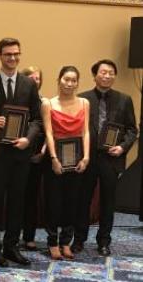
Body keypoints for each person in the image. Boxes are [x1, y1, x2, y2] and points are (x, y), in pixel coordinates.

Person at [0, 38, 41, 267]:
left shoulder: (29, 84)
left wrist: (28, 139)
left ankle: (12, 247)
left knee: (17, 202)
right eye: (7, 54)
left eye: (16, 54)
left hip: (21, 154)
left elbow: (37, 118)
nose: (13, 58)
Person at [73, 60, 138, 256]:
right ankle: (79, 239)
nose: (107, 76)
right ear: (95, 76)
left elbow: (132, 130)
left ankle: (104, 241)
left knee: (108, 202)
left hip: (111, 159)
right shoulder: (82, 99)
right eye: (103, 72)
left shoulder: (124, 99)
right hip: (87, 158)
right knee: (82, 200)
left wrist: (122, 147)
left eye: (111, 73)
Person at [41, 66, 90, 260]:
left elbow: (85, 131)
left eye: (73, 80)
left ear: (77, 82)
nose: (69, 84)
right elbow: (49, 133)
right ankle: (52, 242)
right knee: (54, 202)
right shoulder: (48, 103)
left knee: (73, 202)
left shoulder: (85, 103)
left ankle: (65, 242)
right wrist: (53, 158)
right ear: (59, 80)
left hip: (78, 158)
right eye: (66, 79)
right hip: (55, 159)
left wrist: (86, 157)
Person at [20, 66, 45, 251]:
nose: (34, 81)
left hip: (37, 157)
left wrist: (42, 152)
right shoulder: (18, 99)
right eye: (30, 77)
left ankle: (29, 236)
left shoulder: (45, 102)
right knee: (15, 198)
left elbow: (49, 131)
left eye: (37, 78)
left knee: (31, 199)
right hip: (16, 155)